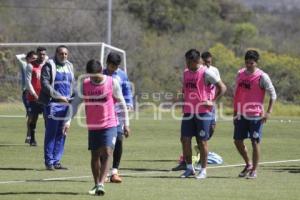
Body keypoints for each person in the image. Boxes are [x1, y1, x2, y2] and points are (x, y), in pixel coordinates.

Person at [63, 59, 130, 195]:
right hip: (93, 125)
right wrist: (67, 121)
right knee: (95, 156)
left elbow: (122, 103)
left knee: (106, 152)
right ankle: (96, 183)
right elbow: (75, 104)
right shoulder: (85, 85)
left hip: (110, 123)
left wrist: (126, 123)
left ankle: (101, 184)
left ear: (101, 71)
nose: (94, 79)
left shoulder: (112, 82)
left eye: (96, 76)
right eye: (91, 76)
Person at [180, 49, 226, 179]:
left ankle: (203, 170)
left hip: (203, 113)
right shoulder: (186, 72)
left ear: (196, 61)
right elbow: (185, 90)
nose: (187, 64)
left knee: (202, 141)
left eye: (189, 62)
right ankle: (189, 169)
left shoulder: (206, 72)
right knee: (185, 140)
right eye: (186, 61)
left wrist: (212, 101)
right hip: (189, 111)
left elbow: (222, 87)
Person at [233, 50, 276, 179]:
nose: (248, 65)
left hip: (256, 115)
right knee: (237, 141)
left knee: (255, 142)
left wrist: (268, 112)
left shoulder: (262, 76)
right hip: (241, 114)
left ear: (256, 63)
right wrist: (235, 112)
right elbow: (237, 93)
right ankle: (248, 164)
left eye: (251, 63)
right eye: (247, 62)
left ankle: (254, 171)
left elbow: (273, 94)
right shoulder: (240, 74)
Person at [38, 45, 75, 170]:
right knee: (51, 133)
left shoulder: (69, 66)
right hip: (53, 104)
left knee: (62, 133)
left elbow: (72, 84)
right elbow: (44, 84)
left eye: (65, 54)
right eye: (61, 53)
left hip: (66, 105)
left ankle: (57, 160)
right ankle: (49, 161)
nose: (63, 56)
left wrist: (73, 97)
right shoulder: (49, 65)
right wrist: (58, 96)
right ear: (56, 54)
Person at [103, 52, 133, 183]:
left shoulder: (122, 75)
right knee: (104, 144)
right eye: (111, 66)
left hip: (119, 112)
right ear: (107, 63)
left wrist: (129, 103)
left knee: (119, 140)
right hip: (104, 113)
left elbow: (127, 91)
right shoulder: (101, 74)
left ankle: (114, 171)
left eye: (116, 66)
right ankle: (103, 171)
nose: (114, 68)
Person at [25, 47, 48, 146]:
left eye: (43, 54)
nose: (42, 56)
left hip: (45, 97)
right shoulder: (30, 66)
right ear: (37, 55)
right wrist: (34, 94)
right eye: (40, 54)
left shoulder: (47, 65)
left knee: (48, 118)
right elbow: (28, 82)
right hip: (34, 97)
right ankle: (32, 139)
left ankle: (48, 140)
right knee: (33, 118)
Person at [16, 51, 37, 143]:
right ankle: (29, 135)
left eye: (35, 58)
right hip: (27, 93)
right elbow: (17, 57)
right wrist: (25, 56)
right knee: (30, 114)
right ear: (28, 59)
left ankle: (30, 134)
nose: (34, 60)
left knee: (33, 115)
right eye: (32, 58)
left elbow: (46, 57)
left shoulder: (37, 66)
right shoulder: (25, 64)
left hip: (36, 94)